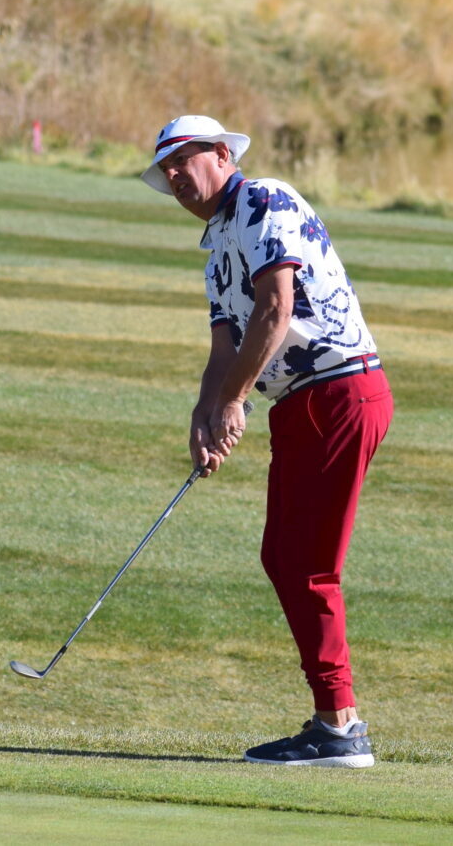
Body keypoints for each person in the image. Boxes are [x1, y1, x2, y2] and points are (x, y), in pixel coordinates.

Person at [140, 115, 393, 768]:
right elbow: (224, 347)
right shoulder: (216, 247)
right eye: (165, 170)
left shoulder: (263, 199)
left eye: (184, 160)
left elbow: (276, 309)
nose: (174, 176)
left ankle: (340, 726)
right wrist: (205, 413)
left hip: (338, 391)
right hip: (307, 402)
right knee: (283, 556)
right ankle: (333, 719)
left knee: (306, 563)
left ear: (223, 155)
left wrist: (234, 401)